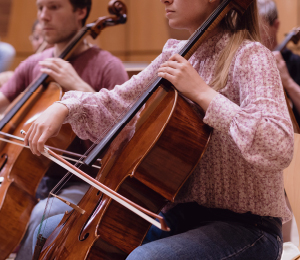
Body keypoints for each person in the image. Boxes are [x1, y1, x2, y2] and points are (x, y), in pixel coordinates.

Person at [27, 0, 293, 259]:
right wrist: (64, 107)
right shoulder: (176, 53)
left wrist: (204, 94)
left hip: (248, 227)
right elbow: (118, 105)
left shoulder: (251, 56)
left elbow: (278, 144)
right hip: (178, 216)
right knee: (50, 230)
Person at [0, 0, 128, 259]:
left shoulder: (107, 66)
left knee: (39, 215)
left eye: (54, 7)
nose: (43, 17)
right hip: (25, 175)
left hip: (82, 179)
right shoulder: (34, 64)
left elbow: (125, 137)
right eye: (40, 8)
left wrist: (78, 85)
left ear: (80, 12)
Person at [258, 0, 300, 126]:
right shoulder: (247, 62)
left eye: (260, 29)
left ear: (275, 26)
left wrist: (288, 81)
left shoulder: (295, 62)